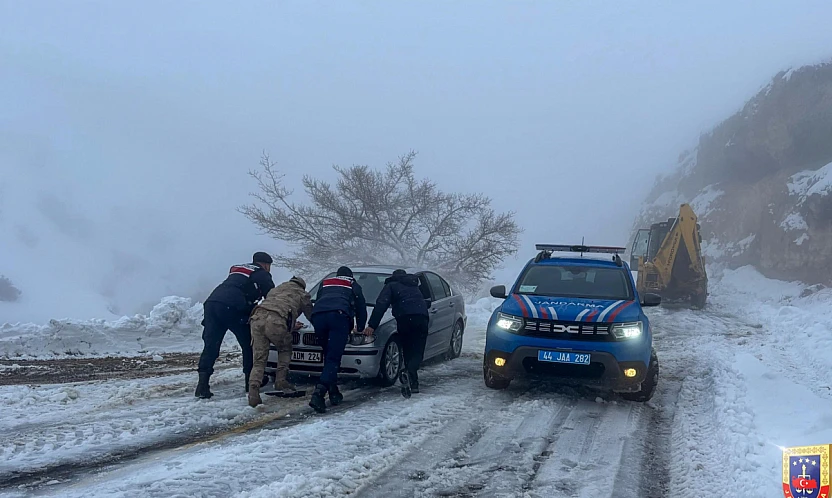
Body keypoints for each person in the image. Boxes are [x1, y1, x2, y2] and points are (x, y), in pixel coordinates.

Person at [195, 252, 275, 399]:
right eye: (269, 266)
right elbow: (272, 297)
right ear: (265, 265)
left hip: (212, 303)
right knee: (249, 343)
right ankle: (250, 383)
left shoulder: (238, 268)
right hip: (234, 307)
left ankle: (202, 385)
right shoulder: (262, 274)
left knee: (211, 345)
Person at [247, 276, 313, 407]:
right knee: (284, 349)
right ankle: (281, 381)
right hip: (276, 321)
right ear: (302, 286)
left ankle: (253, 392)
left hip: (257, 318)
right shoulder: (302, 294)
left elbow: (275, 306)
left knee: (259, 359)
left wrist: (289, 324)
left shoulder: (276, 289)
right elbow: (311, 315)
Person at [308, 266, 367, 413]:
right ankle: (319, 393)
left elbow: (318, 300)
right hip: (338, 317)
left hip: (318, 317)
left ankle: (334, 392)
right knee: (333, 358)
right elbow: (361, 307)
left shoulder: (326, 282)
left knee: (328, 356)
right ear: (350, 275)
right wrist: (360, 327)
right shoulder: (352, 284)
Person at [365, 269, 429, 398]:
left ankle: (408, 373)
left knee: (407, 348)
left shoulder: (391, 285)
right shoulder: (414, 285)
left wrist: (372, 325)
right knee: (418, 350)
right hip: (422, 318)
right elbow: (427, 300)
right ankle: (413, 382)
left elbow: (381, 305)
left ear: (394, 276)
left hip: (404, 318)